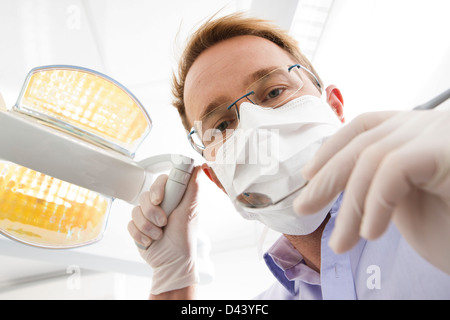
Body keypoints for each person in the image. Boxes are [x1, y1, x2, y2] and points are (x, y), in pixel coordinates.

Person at [127, 13, 450, 300]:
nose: (255, 127)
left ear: (334, 107)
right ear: (219, 181)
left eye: (274, 92)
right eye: (223, 124)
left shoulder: (438, 218)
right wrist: (173, 280)